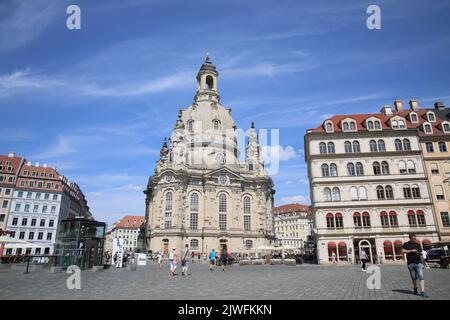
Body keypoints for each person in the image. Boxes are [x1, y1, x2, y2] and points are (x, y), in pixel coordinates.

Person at [403, 234, 429, 298]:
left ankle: (423, 292)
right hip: (410, 263)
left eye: (415, 238)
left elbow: (420, 253)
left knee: (421, 276)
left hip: (418, 263)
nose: (414, 240)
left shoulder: (418, 244)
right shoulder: (406, 244)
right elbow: (402, 251)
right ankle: (415, 288)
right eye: (413, 239)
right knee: (414, 278)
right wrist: (411, 250)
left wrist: (419, 254)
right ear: (410, 238)